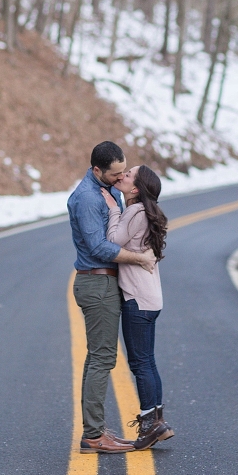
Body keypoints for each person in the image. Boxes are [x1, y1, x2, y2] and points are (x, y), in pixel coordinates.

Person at [67, 141, 157, 454]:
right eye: (115, 174)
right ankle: (93, 436)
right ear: (97, 170)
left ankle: (95, 430)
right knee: (103, 358)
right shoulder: (88, 198)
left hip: (106, 284)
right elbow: (98, 247)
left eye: (123, 172)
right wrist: (140, 259)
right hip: (97, 284)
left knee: (98, 358)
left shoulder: (108, 191)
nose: (120, 179)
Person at [103, 165, 173, 450]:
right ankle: (157, 420)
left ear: (135, 190)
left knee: (140, 363)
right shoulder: (148, 212)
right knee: (148, 361)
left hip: (137, 299)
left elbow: (112, 243)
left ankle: (151, 424)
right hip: (151, 298)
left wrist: (113, 211)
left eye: (129, 175)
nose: (123, 175)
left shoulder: (134, 212)